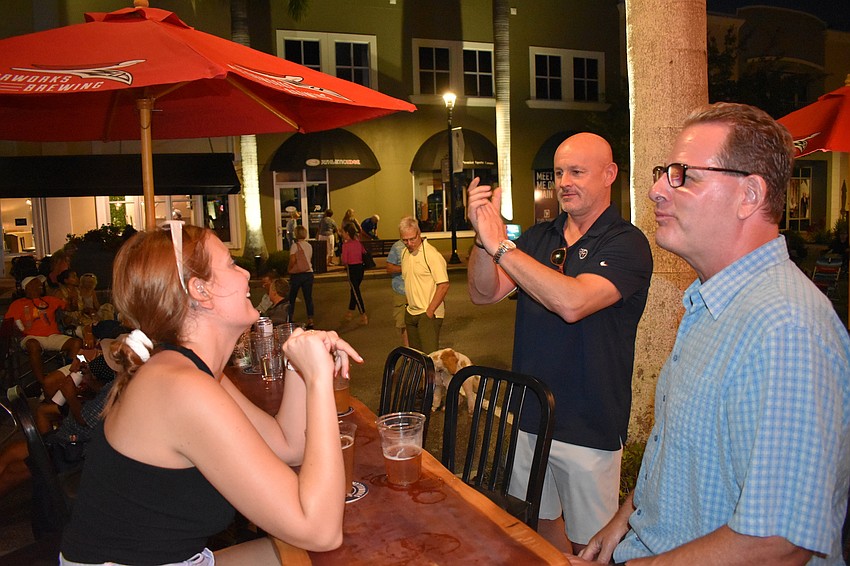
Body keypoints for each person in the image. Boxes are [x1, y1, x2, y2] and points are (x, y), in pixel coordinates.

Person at [577, 103, 850, 566]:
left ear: (749, 195)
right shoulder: (712, 302)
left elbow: (778, 543)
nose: (656, 190)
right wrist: (626, 517)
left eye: (684, 175)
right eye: (664, 172)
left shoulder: (785, 328)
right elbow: (684, 455)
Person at [60, 221, 362, 565]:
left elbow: (289, 447)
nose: (246, 273)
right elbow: (320, 530)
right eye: (231, 264)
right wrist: (321, 381)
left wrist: (298, 364)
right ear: (200, 290)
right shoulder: (181, 387)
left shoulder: (185, 368)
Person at [467, 132, 653, 553]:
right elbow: (483, 292)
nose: (564, 181)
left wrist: (500, 246)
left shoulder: (626, 242)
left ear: (609, 175)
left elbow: (572, 303)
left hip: (590, 423)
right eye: (558, 172)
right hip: (531, 415)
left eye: (576, 171)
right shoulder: (537, 238)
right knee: (540, 521)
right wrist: (482, 239)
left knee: (592, 543)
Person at [6, 275, 83, 394]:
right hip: (31, 337)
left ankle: (69, 376)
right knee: (32, 345)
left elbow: (71, 308)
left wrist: (73, 299)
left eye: (40, 284)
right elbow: (8, 324)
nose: (40, 286)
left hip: (53, 336)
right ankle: (43, 383)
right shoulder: (18, 304)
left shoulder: (49, 299)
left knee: (76, 342)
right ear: (27, 288)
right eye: (36, 284)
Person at [398, 216, 449, 354]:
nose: (409, 243)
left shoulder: (431, 254)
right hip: (411, 312)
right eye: (405, 240)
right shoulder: (404, 253)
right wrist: (408, 307)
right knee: (416, 357)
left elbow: (443, 285)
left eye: (412, 238)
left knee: (429, 358)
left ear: (419, 233)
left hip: (427, 314)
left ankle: (431, 377)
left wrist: (430, 311)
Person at [340, 222, 368, 325]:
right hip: (360, 268)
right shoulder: (358, 242)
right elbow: (364, 252)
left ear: (347, 233)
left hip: (352, 269)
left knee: (356, 292)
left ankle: (363, 314)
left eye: (343, 232)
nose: (341, 234)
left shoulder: (346, 245)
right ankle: (350, 312)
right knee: (354, 290)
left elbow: (345, 261)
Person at [288, 225, 315, 330]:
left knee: (292, 297)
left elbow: (293, 260)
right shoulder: (309, 246)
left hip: (297, 274)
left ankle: (290, 317)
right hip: (308, 273)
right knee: (308, 297)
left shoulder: (295, 246)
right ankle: (310, 319)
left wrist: (289, 268)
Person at [385, 238, 409, 347]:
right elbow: (389, 268)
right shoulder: (397, 246)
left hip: (419, 291)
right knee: (403, 323)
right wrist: (406, 268)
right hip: (401, 291)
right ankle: (408, 352)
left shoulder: (422, 247)